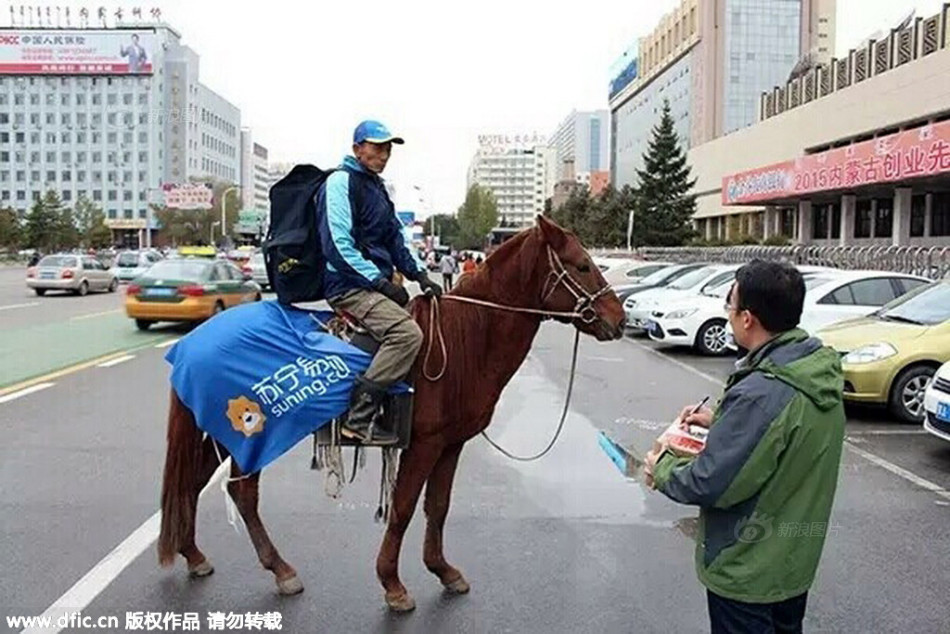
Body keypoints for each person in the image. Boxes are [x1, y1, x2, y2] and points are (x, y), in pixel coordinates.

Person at [644, 260, 845, 634]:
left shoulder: (761, 393)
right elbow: (781, 433)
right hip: (793, 562)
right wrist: (722, 418)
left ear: (748, 318)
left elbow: (711, 482)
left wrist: (663, 466)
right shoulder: (814, 370)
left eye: (730, 306)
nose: (729, 315)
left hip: (748, 568)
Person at [315, 120, 443, 445]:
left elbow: (395, 240)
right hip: (348, 286)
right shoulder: (340, 182)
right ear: (357, 148)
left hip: (371, 284)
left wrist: (420, 276)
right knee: (406, 334)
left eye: (388, 149)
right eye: (376, 147)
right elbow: (337, 244)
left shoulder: (377, 188)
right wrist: (379, 282)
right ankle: (358, 418)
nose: (383, 154)